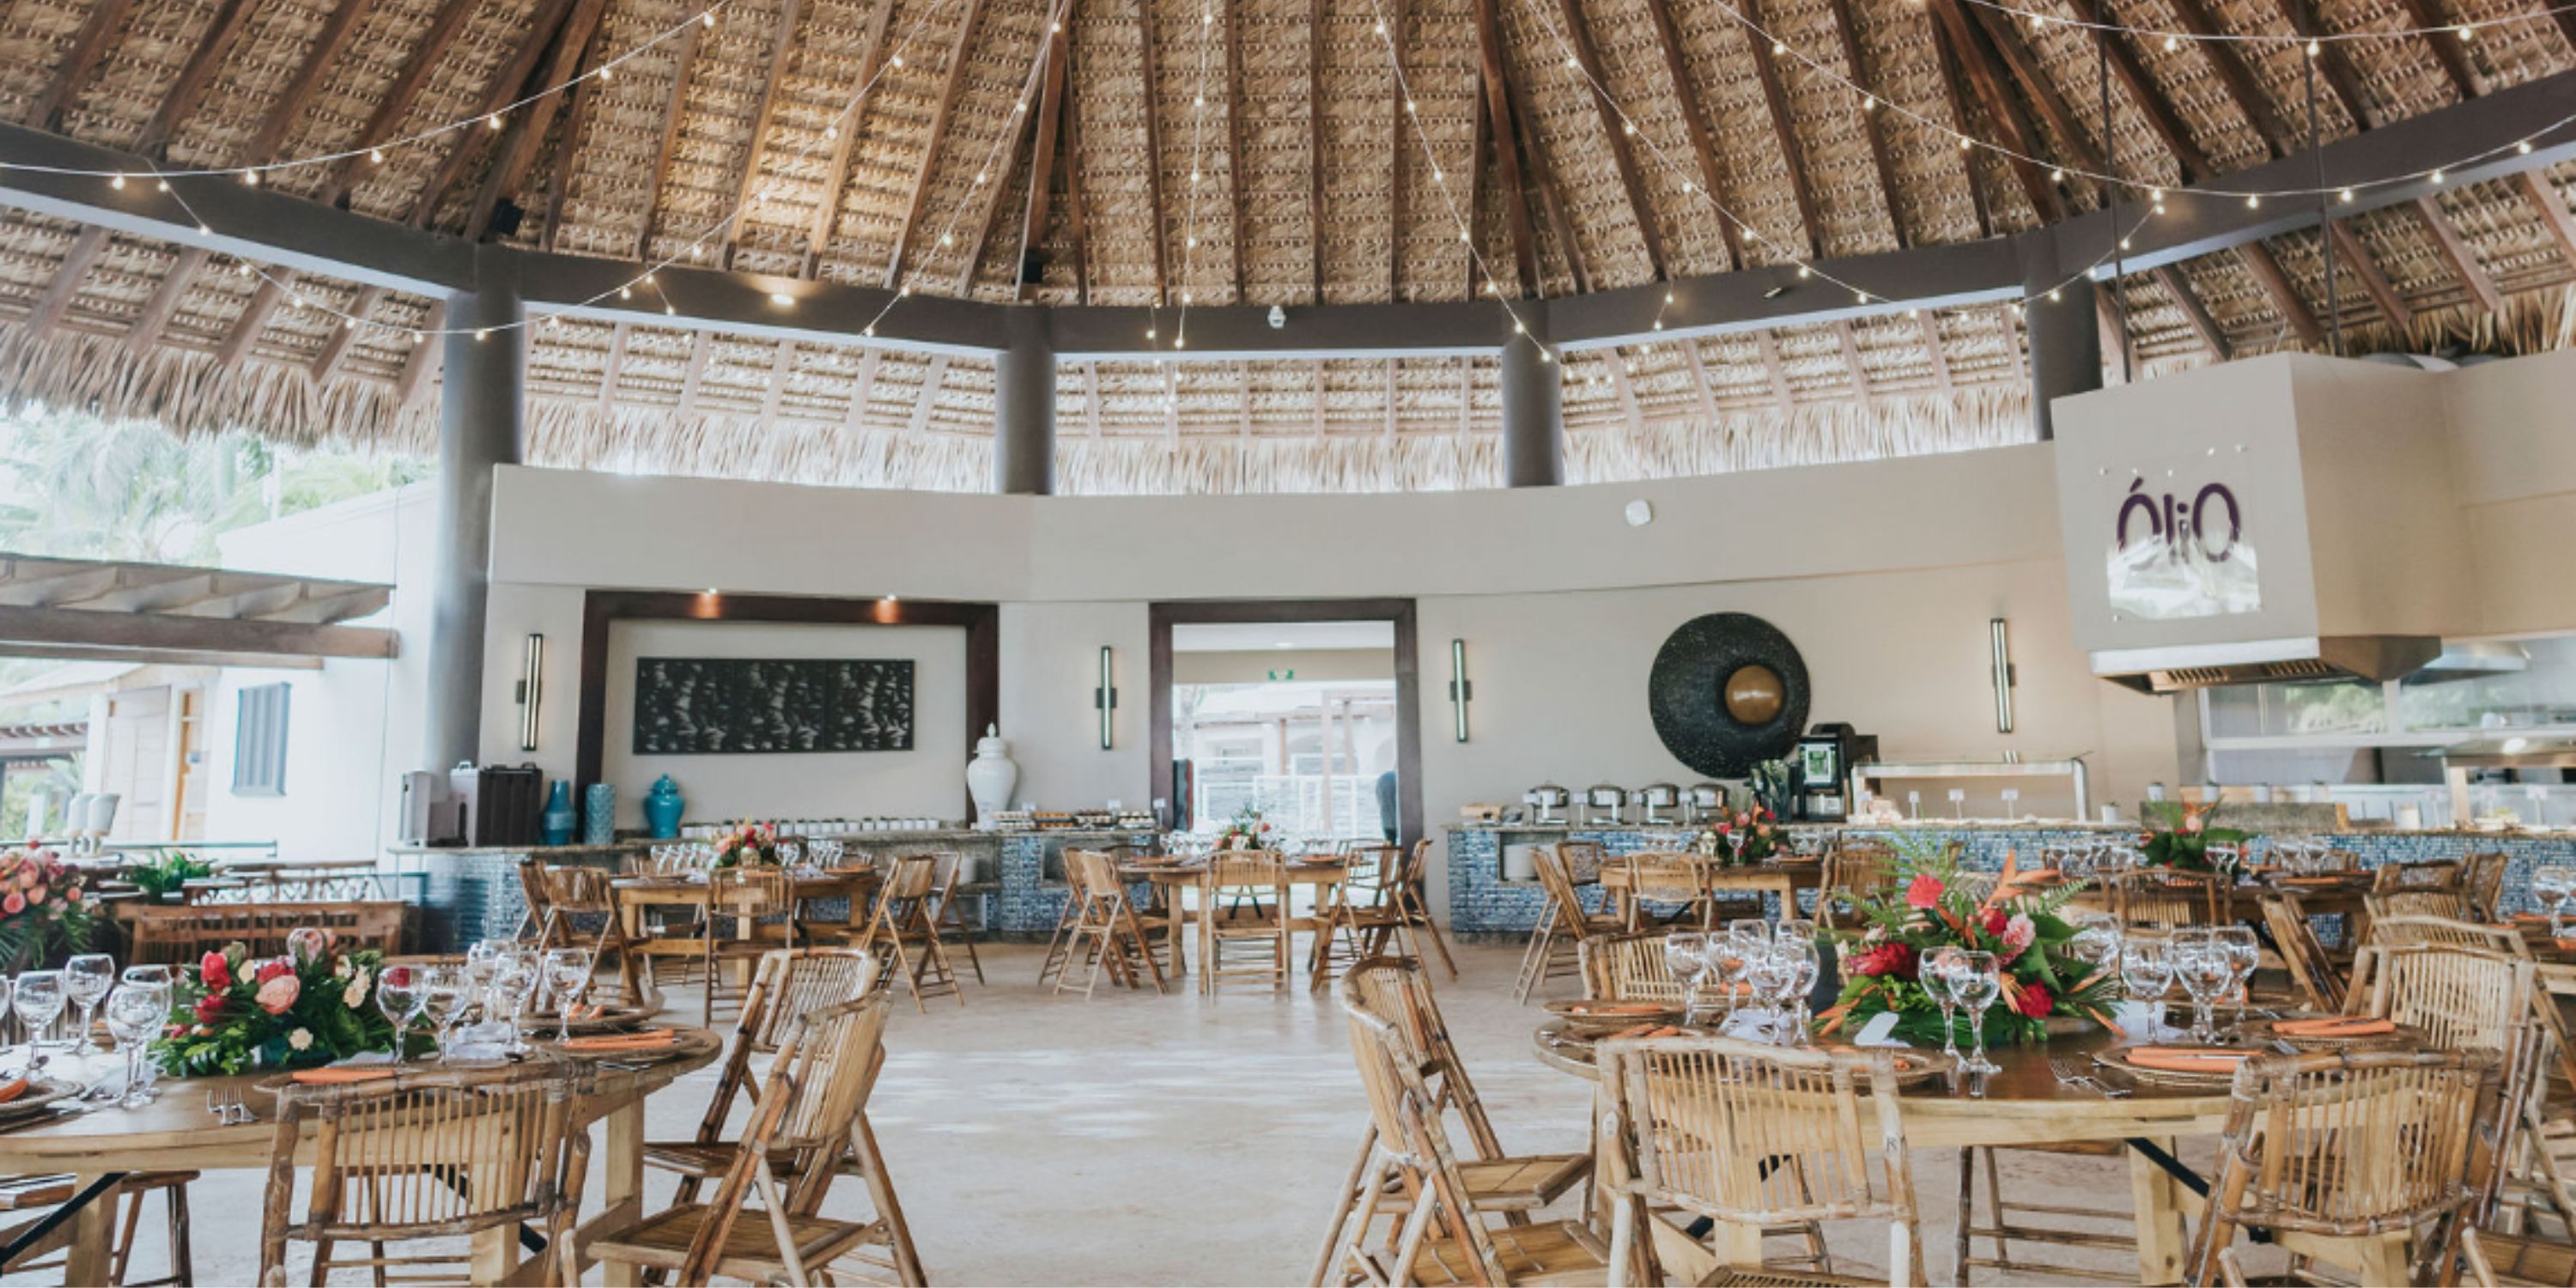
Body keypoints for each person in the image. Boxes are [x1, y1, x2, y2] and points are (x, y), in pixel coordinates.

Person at [1375, 769, 1398, 844]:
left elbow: (1379, 800)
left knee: (1389, 848)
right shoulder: (1397, 778)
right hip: (1401, 823)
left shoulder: (1383, 778)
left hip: (1387, 821)